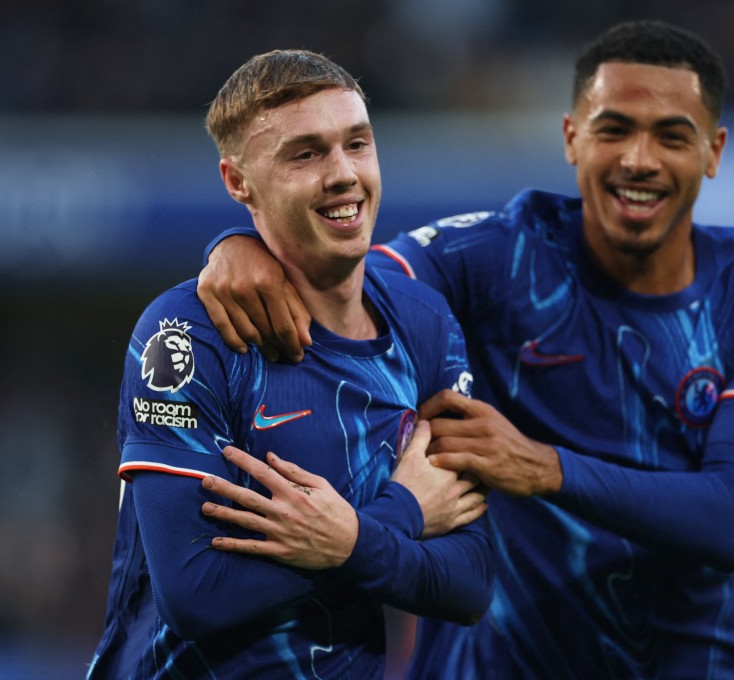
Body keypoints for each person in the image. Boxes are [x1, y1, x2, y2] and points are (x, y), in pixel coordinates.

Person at [197, 21, 734, 679]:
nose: (638, 160)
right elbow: (341, 279)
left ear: (713, 151)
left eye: (672, 136)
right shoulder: (500, 254)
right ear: (571, 139)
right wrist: (239, 243)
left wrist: (541, 467)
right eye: (614, 129)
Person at [88, 49, 493, 680]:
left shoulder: (425, 323)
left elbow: (468, 582)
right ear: (237, 181)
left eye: (356, 144)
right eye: (305, 154)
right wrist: (394, 520)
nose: (343, 174)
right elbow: (197, 592)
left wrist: (353, 539)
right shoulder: (188, 336)